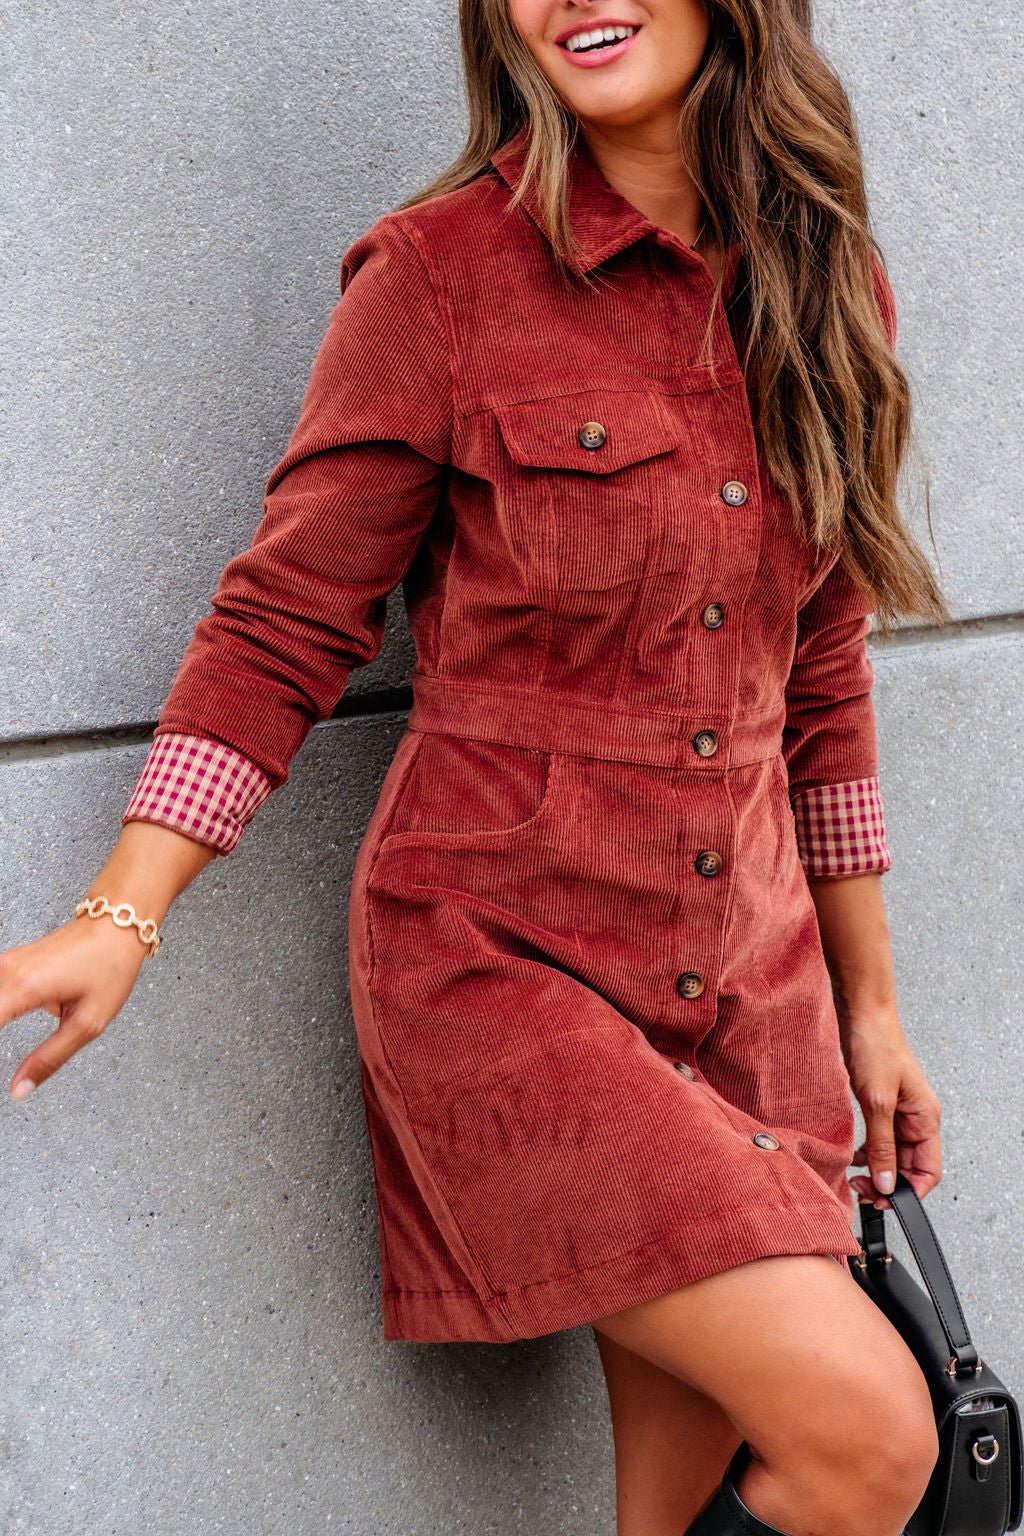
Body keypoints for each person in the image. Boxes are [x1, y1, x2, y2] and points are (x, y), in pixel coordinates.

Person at [0, 2, 955, 1533]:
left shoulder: (824, 278)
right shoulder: (439, 277)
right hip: (504, 970)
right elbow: (285, 622)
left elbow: (822, 672)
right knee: (872, 1436)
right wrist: (121, 914)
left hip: (749, 999)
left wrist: (872, 1008)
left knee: (686, 1494)